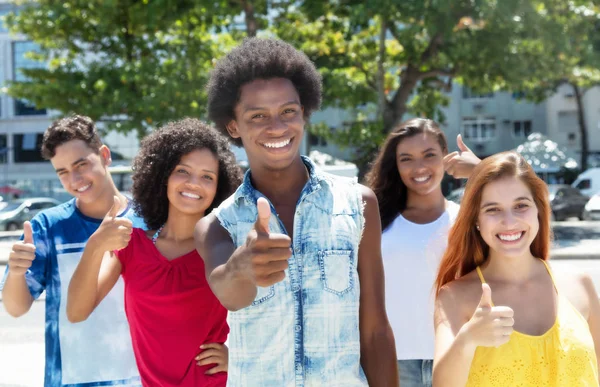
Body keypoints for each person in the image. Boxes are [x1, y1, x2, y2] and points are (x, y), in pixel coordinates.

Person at [194, 37, 398, 386]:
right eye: (257, 116)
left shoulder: (359, 204)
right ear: (233, 126)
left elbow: (375, 329)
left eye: (288, 111)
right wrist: (242, 266)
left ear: (304, 111)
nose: (277, 127)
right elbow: (231, 294)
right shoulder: (216, 226)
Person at [67, 119, 243, 386]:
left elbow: (274, 312)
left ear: (219, 188)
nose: (194, 183)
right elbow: (76, 312)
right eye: (183, 171)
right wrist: (95, 246)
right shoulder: (131, 245)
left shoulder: (223, 249)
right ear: (164, 176)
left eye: (207, 176)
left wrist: (241, 356)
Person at [433, 151, 600, 386]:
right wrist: (467, 340)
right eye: (493, 209)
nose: (509, 222)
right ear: (476, 221)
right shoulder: (454, 296)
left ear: (539, 210)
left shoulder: (580, 285)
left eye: (521, 205)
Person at [1, 115, 145, 386]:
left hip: (146, 379)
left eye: (82, 164)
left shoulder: (151, 220)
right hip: (70, 380)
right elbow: (16, 308)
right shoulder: (48, 226)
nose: (75, 179)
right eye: (63, 172)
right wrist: (17, 273)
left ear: (104, 155)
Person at [366, 118, 480, 387]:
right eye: (407, 159)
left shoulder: (467, 220)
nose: (419, 167)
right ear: (396, 165)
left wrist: (482, 170)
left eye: (429, 155)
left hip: (458, 355)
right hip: (393, 361)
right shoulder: (375, 220)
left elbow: (531, 205)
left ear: (446, 157)